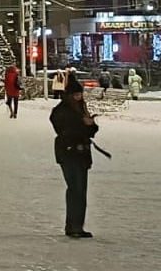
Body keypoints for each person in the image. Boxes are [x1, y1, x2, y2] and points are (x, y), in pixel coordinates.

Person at [50, 76, 99, 238]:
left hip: (82, 154)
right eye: (75, 95)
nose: (78, 97)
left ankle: (77, 225)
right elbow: (63, 130)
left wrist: (90, 125)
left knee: (81, 190)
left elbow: (90, 132)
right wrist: (82, 126)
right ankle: (72, 226)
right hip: (68, 153)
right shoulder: (61, 111)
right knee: (74, 189)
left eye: (80, 94)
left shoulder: (81, 108)